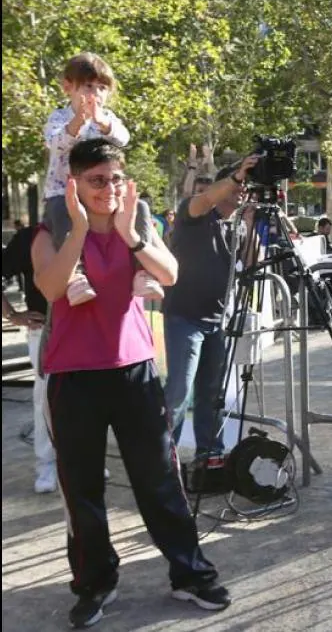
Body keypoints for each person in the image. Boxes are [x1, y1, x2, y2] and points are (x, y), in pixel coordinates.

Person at [31, 138, 229, 628]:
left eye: (116, 178)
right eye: (97, 180)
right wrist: (79, 227)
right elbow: (52, 287)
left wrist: (133, 237)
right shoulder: (49, 229)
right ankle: (96, 582)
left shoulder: (137, 221)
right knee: (83, 490)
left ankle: (190, 573)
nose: (110, 188)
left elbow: (172, 272)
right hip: (73, 379)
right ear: (74, 182)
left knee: (160, 480)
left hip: (134, 372)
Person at [162, 156, 259, 463]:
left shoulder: (237, 224)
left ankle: (209, 453)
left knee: (212, 393)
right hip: (184, 318)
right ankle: (164, 459)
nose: (240, 191)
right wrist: (237, 174)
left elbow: (254, 261)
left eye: (244, 186)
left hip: (218, 320)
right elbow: (206, 197)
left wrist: (250, 221)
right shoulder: (195, 213)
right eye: (236, 185)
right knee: (178, 392)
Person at [41, 53, 155, 305]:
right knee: (61, 216)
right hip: (64, 194)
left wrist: (103, 123)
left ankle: (142, 272)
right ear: (68, 87)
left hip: (103, 195)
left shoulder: (107, 119)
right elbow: (56, 143)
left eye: (102, 88)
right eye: (88, 86)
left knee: (141, 208)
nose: (95, 93)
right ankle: (76, 276)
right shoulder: (59, 117)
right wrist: (79, 120)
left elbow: (123, 139)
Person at [1, 222, 53, 492]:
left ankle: (82, 460)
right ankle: (46, 464)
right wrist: (12, 315)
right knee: (44, 397)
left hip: (86, 330)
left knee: (88, 401)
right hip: (44, 328)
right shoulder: (31, 236)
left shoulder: (94, 227)